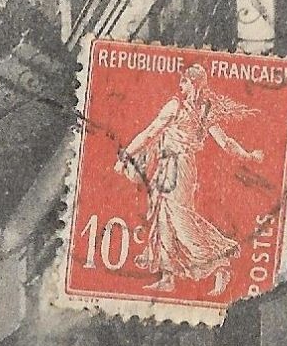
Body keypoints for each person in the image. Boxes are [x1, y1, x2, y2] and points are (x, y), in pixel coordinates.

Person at [113, 63, 265, 296]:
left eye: (184, 82)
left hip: (179, 167)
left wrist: (126, 155)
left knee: (181, 220)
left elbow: (150, 132)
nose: (180, 86)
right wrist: (248, 154)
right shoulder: (203, 109)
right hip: (170, 165)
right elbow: (225, 143)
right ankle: (167, 276)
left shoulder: (183, 107)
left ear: (193, 83)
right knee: (163, 217)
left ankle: (218, 265)